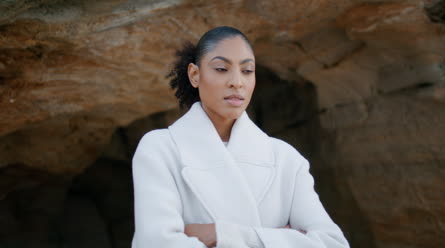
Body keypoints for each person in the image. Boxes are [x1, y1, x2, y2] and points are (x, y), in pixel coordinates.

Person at [131, 26, 350, 248]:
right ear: (195, 75)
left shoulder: (285, 158)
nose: (237, 82)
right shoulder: (160, 148)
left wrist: (222, 234)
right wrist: (281, 239)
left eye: (247, 71)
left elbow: (333, 244)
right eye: (221, 69)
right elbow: (156, 243)